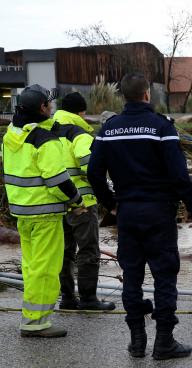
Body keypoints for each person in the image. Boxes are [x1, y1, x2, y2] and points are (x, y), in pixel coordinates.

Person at [88, 73, 192, 360]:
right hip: (159, 213)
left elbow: (94, 173)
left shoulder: (108, 129)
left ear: (123, 96)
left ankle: (137, 342)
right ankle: (164, 342)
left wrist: (110, 204)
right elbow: (178, 173)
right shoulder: (161, 127)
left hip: (127, 214)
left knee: (132, 278)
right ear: (147, 94)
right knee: (164, 277)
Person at [2, 85, 82, 337]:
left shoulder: (12, 134)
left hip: (22, 213)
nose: (53, 107)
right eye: (50, 103)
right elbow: (57, 179)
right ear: (42, 108)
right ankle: (36, 323)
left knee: (31, 266)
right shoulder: (44, 140)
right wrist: (77, 200)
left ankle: (31, 317)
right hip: (45, 214)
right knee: (46, 269)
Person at [52, 92, 116, 311]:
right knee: (88, 250)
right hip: (81, 203)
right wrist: (108, 197)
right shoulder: (79, 134)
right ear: (81, 112)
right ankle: (88, 298)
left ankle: (67, 298)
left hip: (54, 202)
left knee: (64, 251)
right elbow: (90, 169)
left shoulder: (45, 130)